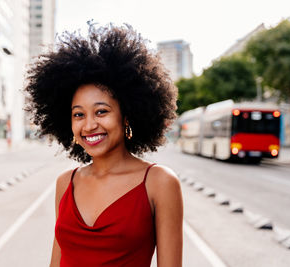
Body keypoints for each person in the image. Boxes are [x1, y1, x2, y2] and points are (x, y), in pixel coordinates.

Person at [25, 24, 183, 267]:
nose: (89, 125)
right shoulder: (65, 183)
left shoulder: (159, 183)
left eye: (101, 111)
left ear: (126, 115)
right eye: (78, 115)